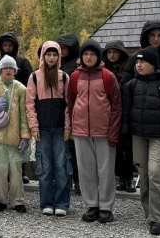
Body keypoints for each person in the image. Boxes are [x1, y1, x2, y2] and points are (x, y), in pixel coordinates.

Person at [124, 21, 160, 212]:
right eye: (152, 35)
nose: (156, 39)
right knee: (149, 168)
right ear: (146, 37)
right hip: (142, 122)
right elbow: (126, 86)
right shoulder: (135, 59)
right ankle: (152, 206)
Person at [67, 40, 123, 223]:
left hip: (104, 131)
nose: (88, 57)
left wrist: (113, 131)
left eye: (92, 54)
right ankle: (92, 205)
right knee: (85, 170)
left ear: (98, 56)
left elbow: (116, 106)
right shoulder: (75, 77)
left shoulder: (108, 76)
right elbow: (70, 102)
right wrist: (73, 125)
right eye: (85, 54)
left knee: (105, 170)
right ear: (81, 56)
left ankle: (106, 207)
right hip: (81, 131)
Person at [26, 41, 71, 217]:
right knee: (44, 167)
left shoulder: (64, 77)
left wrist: (68, 126)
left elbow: (69, 104)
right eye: (48, 54)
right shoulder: (34, 77)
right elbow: (30, 104)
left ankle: (62, 203)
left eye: (54, 55)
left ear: (58, 57)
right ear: (43, 56)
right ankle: (46, 202)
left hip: (60, 128)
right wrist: (33, 126)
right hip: (42, 129)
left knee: (61, 165)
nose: (51, 58)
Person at [0, 55, 32, 213]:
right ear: (0, 70)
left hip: (15, 137)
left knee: (16, 171)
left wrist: (25, 135)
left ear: (15, 71)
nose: (8, 70)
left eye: (11, 68)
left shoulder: (21, 89)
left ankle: (17, 200)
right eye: (5, 67)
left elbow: (25, 114)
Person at [103, 41, 134, 193]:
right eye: (109, 52)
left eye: (115, 52)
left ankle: (128, 178)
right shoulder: (103, 71)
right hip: (108, 114)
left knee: (128, 148)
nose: (112, 55)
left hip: (126, 113)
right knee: (113, 147)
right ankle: (119, 177)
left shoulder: (129, 71)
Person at [57, 33, 82, 194]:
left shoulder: (76, 65)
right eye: (61, 48)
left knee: (74, 150)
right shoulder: (56, 63)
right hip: (57, 110)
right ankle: (67, 181)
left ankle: (79, 181)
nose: (63, 50)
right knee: (63, 151)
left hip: (73, 110)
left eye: (66, 48)